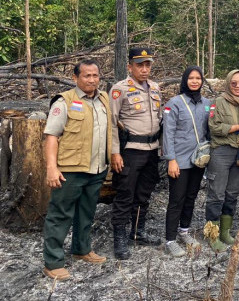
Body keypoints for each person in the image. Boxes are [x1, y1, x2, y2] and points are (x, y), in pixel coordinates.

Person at [42, 59, 112, 281]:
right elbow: (51, 137)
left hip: (97, 168)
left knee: (87, 212)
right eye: (86, 76)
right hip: (70, 169)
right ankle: (53, 263)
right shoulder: (64, 102)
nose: (92, 80)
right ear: (75, 78)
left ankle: (82, 250)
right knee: (60, 214)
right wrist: (51, 168)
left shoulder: (103, 99)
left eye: (95, 76)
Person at [110, 47, 163, 260]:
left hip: (151, 150)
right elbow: (112, 124)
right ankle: (120, 238)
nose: (144, 69)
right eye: (139, 65)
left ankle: (137, 232)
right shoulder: (119, 89)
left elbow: (160, 119)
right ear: (129, 66)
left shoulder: (155, 88)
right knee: (125, 195)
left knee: (144, 194)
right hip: (130, 150)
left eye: (147, 64)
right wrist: (115, 153)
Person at [161, 66, 211, 258]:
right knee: (176, 199)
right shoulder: (174, 103)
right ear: (184, 80)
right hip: (180, 160)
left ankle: (184, 231)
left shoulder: (207, 103)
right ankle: (170, 240)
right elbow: (168, 133)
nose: (195, 81)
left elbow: (208, 130)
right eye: (191, 78)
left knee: (191, 197)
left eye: (198, 78)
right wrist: (171, 159)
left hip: (198, 160)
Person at [206, 69, 239, 252]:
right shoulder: (219, 102)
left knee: (232, 193)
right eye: (234, 83)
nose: (237, 86)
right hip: (221, 151)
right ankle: (212, 235)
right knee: (216, 194)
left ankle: (225, 232)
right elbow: (214, 127)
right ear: (228, 83)